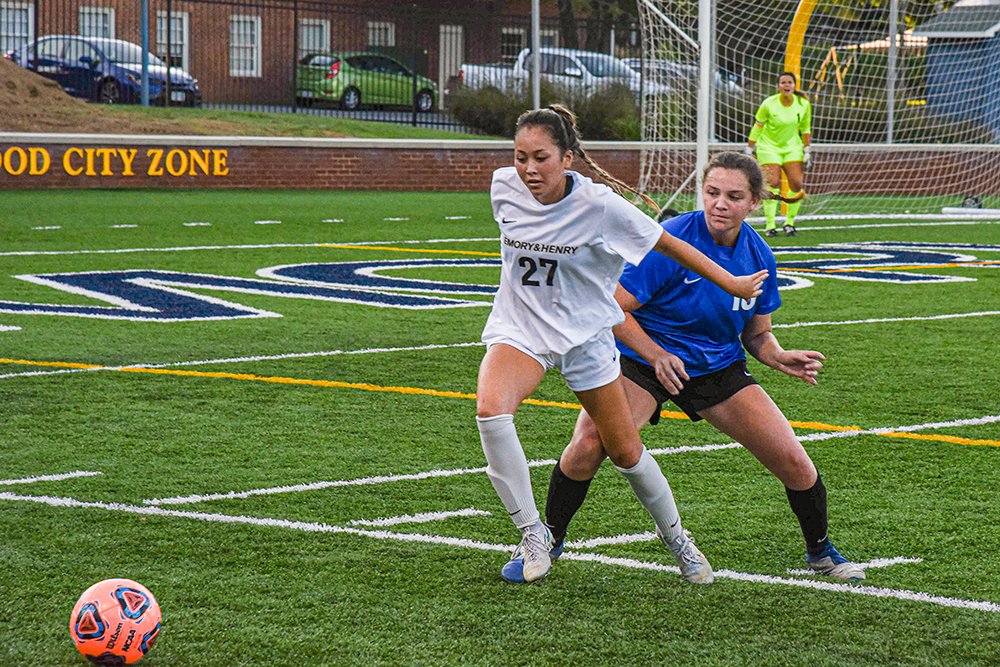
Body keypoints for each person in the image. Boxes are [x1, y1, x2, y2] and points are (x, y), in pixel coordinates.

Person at [519, 152, 864, 583]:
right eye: (712, 193)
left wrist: (776, 355)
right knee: (591, 442)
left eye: (734, 196)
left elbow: (757, 334)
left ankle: (821, 553)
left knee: (795, 462)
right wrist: (656, 354)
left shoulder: (759, 256)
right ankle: (547, 539)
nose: (720, 203)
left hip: (717, 367)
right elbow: (615, 309)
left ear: (754, 202)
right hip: (643, 360)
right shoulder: (671, 240)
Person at [478, 106, 768, 584]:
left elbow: (673, 246)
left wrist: (732, 283)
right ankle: (534, 534)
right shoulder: (503, 186)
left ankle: (676, 536)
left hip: (587, 334)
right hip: (521, 329)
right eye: (521, 157)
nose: (529, 169)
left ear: (567, 158)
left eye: (541, 158)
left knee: (624, 450)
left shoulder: (601, 206)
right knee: (491, 410)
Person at [745, 71, 812, 237]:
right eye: (783, 82)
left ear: (795, 86)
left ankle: (789, 223)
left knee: (796, 183)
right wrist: (749, 147)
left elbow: (805, 128)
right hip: (769, 147)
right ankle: (770, 225)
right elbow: (758, 125)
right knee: (772, 182)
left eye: (790, 82)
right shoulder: (768, 104)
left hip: (792, 147)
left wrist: (807, 149)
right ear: (778, 86)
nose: (786, 85)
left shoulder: (803, 104)